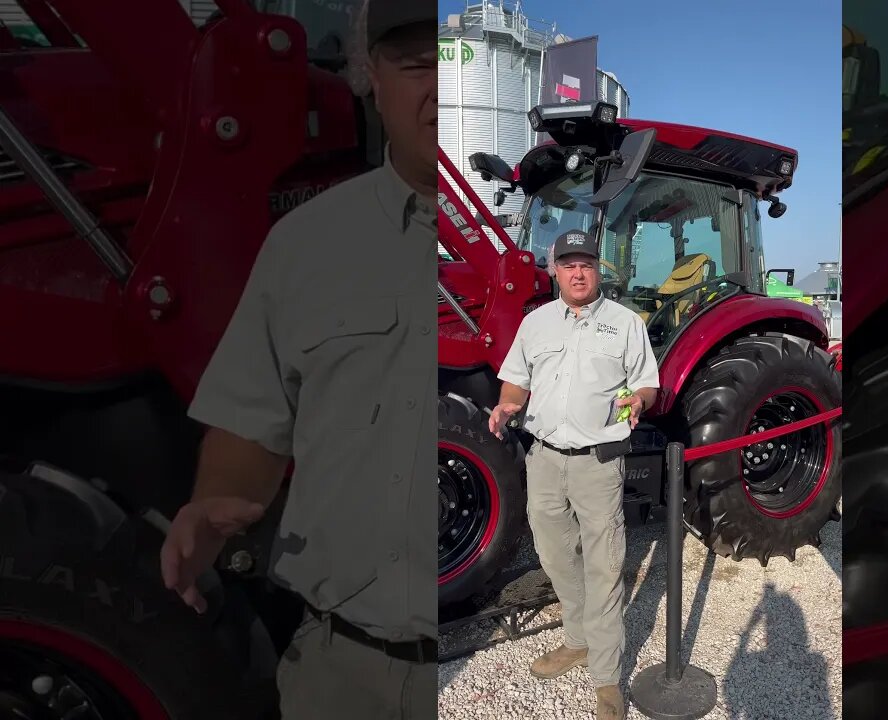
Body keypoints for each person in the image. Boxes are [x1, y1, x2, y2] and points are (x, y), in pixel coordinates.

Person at [157, 1, 438, 718]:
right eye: (416, 62)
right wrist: (212, 502)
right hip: (347, 673)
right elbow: (252, 424)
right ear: (369, 74)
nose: (443, 84)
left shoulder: (551, 253)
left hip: (495, 646)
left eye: (461, 59)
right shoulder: (307, 244)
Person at [489, 229, 661, 720]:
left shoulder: (626, 323)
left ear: (597, 270)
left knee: (605, 566)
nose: (578, 272)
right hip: (543, 457)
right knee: (554, 554)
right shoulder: (536, 323)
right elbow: (516, 379)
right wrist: (506, 404)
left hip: (599, 461)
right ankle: (578, 639)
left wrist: (639, 400)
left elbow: (646, 383)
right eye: (569, 264)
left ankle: (607, 679)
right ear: (555, 271)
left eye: (586, 263)